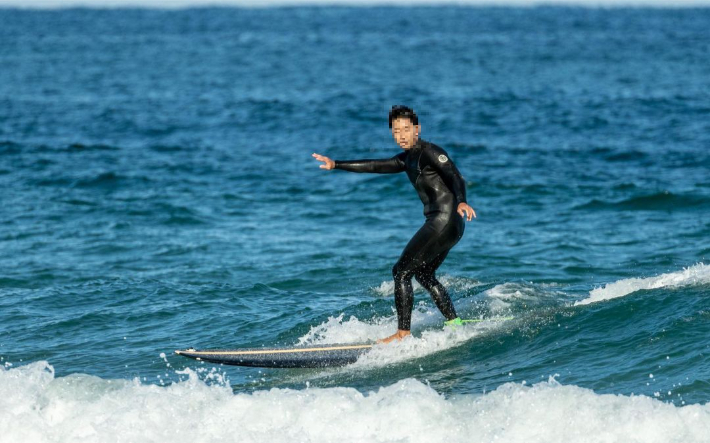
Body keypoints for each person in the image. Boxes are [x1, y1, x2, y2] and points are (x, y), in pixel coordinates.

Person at [312, 105, 476, 344]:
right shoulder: (406, 159)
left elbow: (454, 175)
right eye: (396, 131)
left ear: (417, 129)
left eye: (406, 130)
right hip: (449, 225)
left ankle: (402, 334)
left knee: (400, 272)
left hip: (445, 219)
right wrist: (336, 164)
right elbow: (375, 165)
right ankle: (455, 323)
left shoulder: (430, 151)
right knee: (423, 273)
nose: (401, 135)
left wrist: (462, 202)